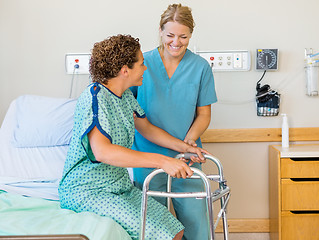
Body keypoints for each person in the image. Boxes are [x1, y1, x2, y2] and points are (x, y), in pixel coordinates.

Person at [58, 34, 208, 240]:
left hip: (120, 187)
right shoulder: (94, 97)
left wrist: (186, 148)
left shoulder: (125, 96)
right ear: (125, 70)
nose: (145, 68)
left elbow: (146, 128)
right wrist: (162, 161)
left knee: (175, 230)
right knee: (160, 234)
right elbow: (102, 151)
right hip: (89, 191)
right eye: (141, 64)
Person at [130, 4, 217, 240]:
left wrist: (189, 142)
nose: (176, 42)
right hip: (147, 156)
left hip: (187, 157)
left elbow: (204, 114)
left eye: (183, 36)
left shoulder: (200, 68)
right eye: (170, 35)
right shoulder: (140, 65)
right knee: (153, 226)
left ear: (191, 35)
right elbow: (135, 116)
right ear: (160, 31)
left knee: (196, 223)